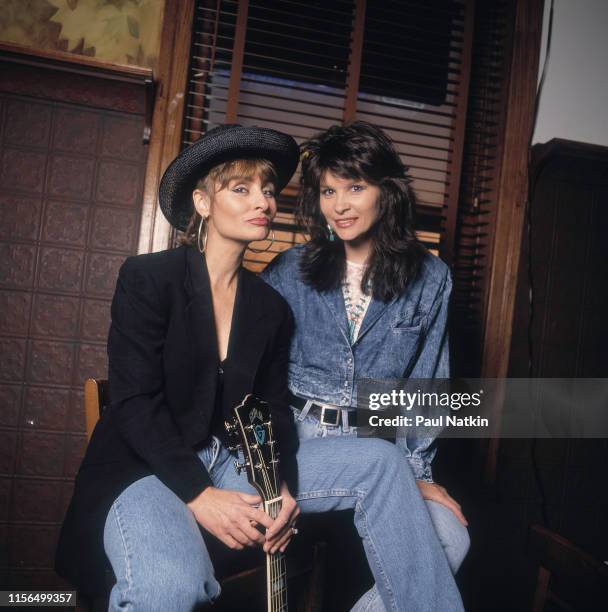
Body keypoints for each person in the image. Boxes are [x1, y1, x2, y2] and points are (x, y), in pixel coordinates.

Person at [55, 124, 465, 612]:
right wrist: (200, 494)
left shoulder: (267, 304)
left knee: (385, 464)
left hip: (235, 460)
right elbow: (135, 403)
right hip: (147, 468)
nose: (264, 202)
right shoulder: (149, 278)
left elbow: (270, 408)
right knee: (172, 588)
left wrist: (283, 484)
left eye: (269, 191)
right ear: (203, 203)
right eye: (243, 189)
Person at [262, 121, 470, 611]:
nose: (340, 205)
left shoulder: (431, 277)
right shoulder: (288, 270)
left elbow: (426, 386)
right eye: (329, 190)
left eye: (355, 186)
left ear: (386, 191)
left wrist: (416, 470)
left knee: (451, 541)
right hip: (296, 441)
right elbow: (251, 372)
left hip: (378, 446)